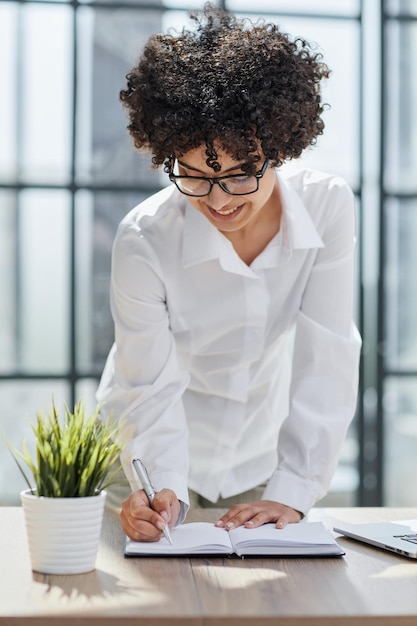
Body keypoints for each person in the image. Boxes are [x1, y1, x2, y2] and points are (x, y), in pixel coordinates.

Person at [96, 3, 361, 543]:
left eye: (240, 175)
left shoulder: (328, 205)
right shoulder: (145, 238)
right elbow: (147, 385)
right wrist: (162, 485)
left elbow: (328, 352)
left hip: (256, 469)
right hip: (144, 466)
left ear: (280, 148)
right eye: (192, 176)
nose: (217, 200)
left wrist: (294, 487)